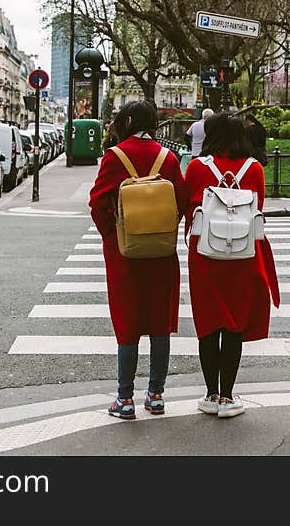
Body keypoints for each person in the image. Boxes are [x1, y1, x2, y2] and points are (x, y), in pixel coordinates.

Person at [88, 101, 188, 419]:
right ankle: (156, 395)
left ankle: (124, 398)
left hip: (125, 254)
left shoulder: (114, 157)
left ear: (127, 121)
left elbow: (97, 202)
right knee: (160, 322)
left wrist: (113, 235)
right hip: (161, 251)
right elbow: (182, 200)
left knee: (127, 322)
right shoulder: (168, 157)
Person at [184, 112, 280, 418]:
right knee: (235, 324)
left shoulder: (198, 167)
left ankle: (210, 393)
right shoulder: (254, 168)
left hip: (205, 256)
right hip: (243, 254)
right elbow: (259, 208)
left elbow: (188, 210)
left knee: (208, 324)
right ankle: (227, 397)